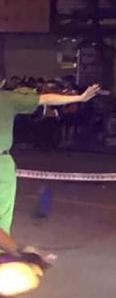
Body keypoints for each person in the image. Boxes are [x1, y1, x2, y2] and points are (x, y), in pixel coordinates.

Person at [0, 83, 99, 231]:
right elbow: (46, 99)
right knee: (2, 214)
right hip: (2, 161)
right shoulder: (8, 98)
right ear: (2, 82)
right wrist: (80, 98)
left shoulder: (9, 98)